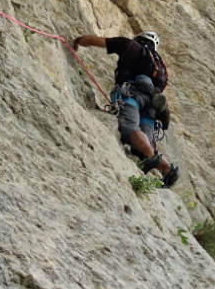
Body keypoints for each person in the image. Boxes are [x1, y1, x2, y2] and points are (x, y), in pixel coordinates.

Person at [73, 30, 179, 188]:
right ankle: (167, 169)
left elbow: (95, 41)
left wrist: (78, 40)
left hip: (132, 94)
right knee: (145, 141)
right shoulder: (161, 69)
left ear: (139, 38)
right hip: (151, 108)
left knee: (129, 128)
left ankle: (151, 158)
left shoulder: (132, 46)